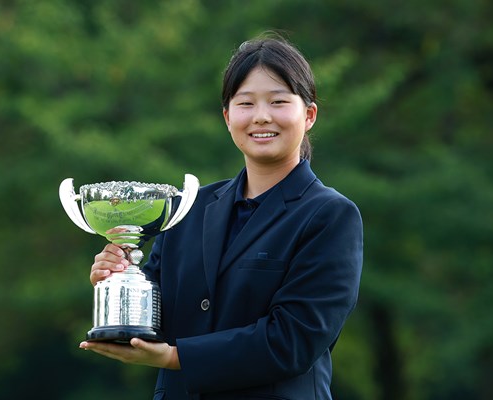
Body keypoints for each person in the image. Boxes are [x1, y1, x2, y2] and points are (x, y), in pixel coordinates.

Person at [81, 33, 364, 400]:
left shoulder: (330, 216)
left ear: (308, 115)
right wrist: (118, 283)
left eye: (278, 101)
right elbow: (157, 316)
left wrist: (175, 358)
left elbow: (293, 341)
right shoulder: (187, 208)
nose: (261, 116)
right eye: (245, 103)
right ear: (228, 117)